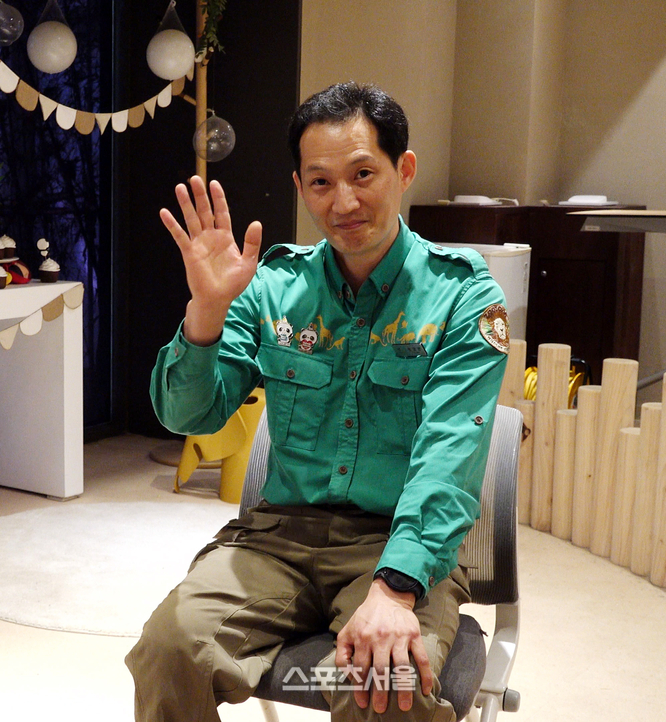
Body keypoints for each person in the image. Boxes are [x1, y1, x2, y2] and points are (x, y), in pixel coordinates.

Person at [126, 82, 509, 722]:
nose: (344, 202)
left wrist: (396, 586)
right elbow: (187, 415)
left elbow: (452, 452)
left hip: (394, 539)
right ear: (300, 187)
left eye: (363, 174)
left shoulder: (461, 295)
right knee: (169, 649)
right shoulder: (272, 286)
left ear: (403, 170)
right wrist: (206, 312)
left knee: (386, 684)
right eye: (321, 182)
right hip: (277, 540)